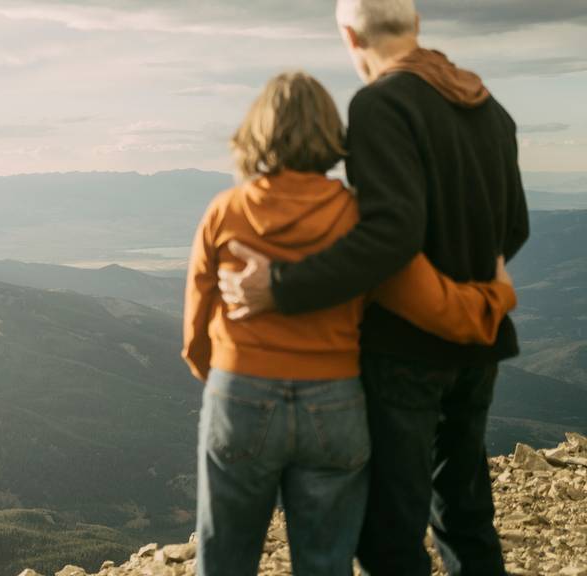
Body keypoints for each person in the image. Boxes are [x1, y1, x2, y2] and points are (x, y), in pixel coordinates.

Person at [216, 2, 529, 575]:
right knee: (465, 516)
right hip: (477, 346)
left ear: (348, 34)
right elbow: (515, 229)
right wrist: (475, 299)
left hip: (405, 354)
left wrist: (280, 287)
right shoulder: (489, 108)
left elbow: (389, 235)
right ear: (414, 27)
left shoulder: (381, 104)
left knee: (389, 536)